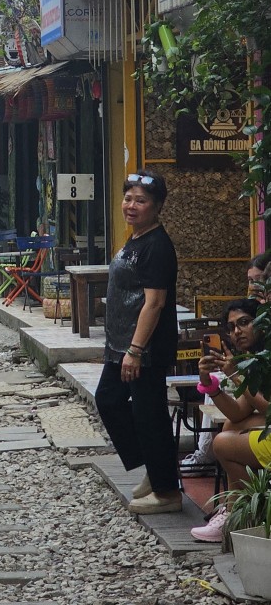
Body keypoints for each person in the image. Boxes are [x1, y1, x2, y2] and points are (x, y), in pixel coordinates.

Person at [95, 171, 182, 515]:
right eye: (128, 198)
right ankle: (157, 470)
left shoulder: (157, 246)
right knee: (109, 400)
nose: (131, 206)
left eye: (141, 200)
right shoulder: (137, 238)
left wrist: (135, 349)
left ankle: (167, 492)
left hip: (142, 350)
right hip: (123, 347)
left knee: (150, 416)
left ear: (157, 207)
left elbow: (155, 303)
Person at [191, 298, 270, 542]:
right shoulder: (252, 359)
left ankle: (246, 513)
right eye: (231, 327)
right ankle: (236, 511)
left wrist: (235, 375)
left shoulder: (265, 358)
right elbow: (238, 412)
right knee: (231, 426)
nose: (237, 331)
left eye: (244, 323)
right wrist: (208, 383)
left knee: (223, 443)